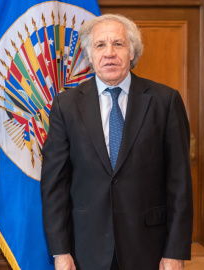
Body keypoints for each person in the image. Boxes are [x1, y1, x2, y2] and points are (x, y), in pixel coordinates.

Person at [41, 14, 193, 270]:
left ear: (132, 52)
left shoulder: (165, 101)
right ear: (89, 55)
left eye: (118, 44)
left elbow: (179, 184)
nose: (109, 53)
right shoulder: (65, 106)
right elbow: (55, 184)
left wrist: (175, 252)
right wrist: (60, 251)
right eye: (100, 45)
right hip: (85, 249)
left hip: (149, 248)